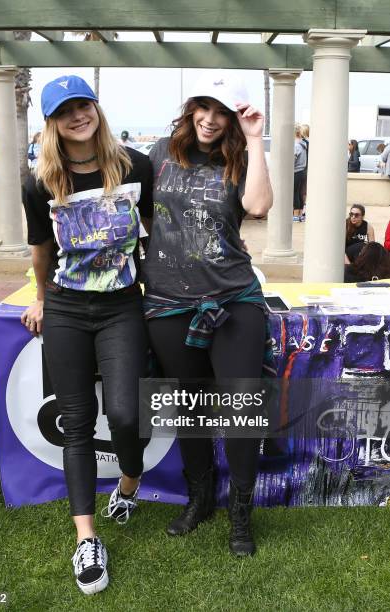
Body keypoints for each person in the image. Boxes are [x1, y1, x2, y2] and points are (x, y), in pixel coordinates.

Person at [21, 75, 153, 595]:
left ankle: (129, 483)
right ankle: (86, 538)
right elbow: (40, 251)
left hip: (122, 306)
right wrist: (40, 296)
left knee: (123, 412)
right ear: (52, 121)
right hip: (67, 309)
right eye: (66, 110)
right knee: (76, 421)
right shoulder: (40, 182)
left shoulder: (134, 167)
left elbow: (155, 235)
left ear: (96, 109)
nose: (79, 115)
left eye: (85, 105)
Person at [143, 72, 273, 557]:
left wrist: (257, 139)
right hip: (167, 302)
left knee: (242, 407)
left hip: (232, 299)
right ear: (191, 108)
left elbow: (258, 205)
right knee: (188, 404)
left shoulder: (240, 158)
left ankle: (241, 509)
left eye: (224, 113)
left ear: (235, 120)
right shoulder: (159, 153)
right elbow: (148, 215)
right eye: (205, 108)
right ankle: (200, 499)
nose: (211, 120)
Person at [293, 124, 307, 221]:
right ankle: (301, 214)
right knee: (299, 193)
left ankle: (296, 215)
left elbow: (292, 160)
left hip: (296, 172)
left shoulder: (296, 145)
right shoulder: (303, 144)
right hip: (302, 171)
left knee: (295, 193)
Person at [299, 124, 309, 220]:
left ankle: (303, 211)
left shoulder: (303, 143)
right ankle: (305, 210)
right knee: (305, 191)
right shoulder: (311, 142)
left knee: (302, 192)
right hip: (309, 169)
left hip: (304, 169)